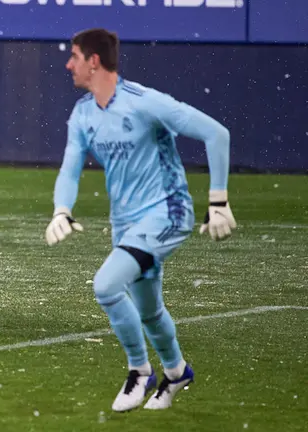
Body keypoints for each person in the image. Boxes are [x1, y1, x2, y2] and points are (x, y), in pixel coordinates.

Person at [46, 28, 237, 412]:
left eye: (74, 56)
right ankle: (177, 371)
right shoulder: (83, 113)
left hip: (168, 213)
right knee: (149, 310)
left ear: (93, 61)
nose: (68, 64)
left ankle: (139, 370)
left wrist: (218, 201)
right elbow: (70, 168)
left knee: (106, 285)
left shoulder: (145, 102)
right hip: (126, 224)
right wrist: (61, 210)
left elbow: (217, 134)